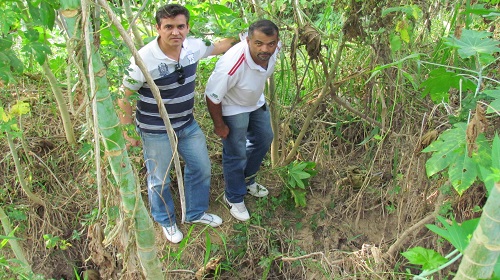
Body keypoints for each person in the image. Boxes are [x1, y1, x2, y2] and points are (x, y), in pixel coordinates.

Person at [118, 4, 236, 243]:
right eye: (169, 27)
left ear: (187, 27)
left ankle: (195, 213)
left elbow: (220, 46)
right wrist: (127, 131)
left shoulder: (193, 46)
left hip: (186, 123)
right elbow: (124, 96)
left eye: (180, 26)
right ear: (158, 28)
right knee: (159, 178)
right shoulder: (143, 59)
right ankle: (166, 221)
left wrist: (246, 37)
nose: (175, 32)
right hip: (155, 129)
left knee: (201, 167)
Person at [204, 19, 280, 222]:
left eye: (270, 44)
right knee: (235, 152)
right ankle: (234, 196)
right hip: (232, 106)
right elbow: (212, 96)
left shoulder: (274, 48)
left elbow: (266, 63)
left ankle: (248, 180)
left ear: (277, 41)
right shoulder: (232, 63)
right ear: (248, 41)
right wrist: (219, 125)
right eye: (258, 43)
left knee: (265, 138)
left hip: (255, 101)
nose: (265, 49)